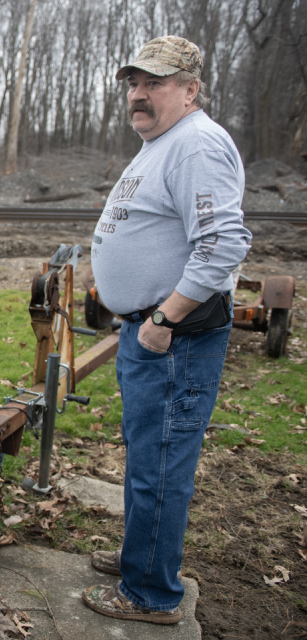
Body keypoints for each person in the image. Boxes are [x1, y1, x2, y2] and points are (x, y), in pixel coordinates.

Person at [83, 36, 252, 624]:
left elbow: (224, 244)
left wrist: (162, 318)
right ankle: (142, 559)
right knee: (145, 457)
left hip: (172, 340)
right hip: (149, 334)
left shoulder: (197, 145)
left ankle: (150, 593)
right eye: (134, 84)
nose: (139, 94)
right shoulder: (163, 142)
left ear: (190, 89)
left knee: (160, 462)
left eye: (154, 83)